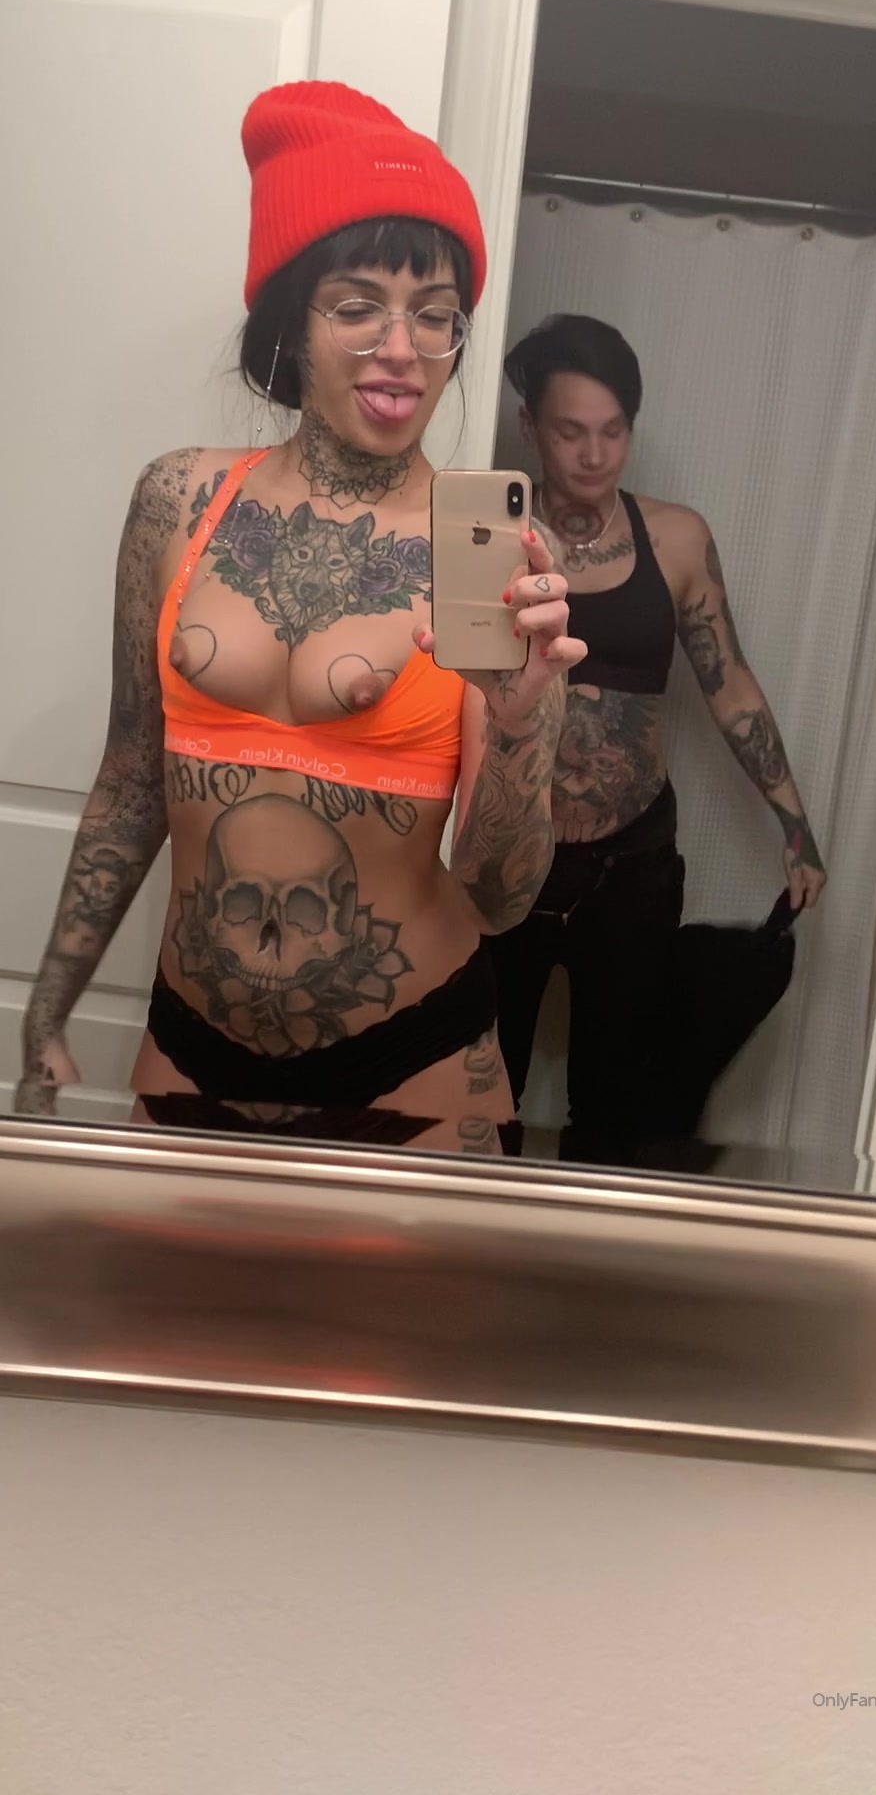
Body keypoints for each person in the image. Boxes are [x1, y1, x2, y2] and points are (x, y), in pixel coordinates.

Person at [14, 82, 584, 1152]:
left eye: (434, 313)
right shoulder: (178, 501)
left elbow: (501, 898)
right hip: (189, 1051)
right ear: (291, 322)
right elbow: (131, 778)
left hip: (418, 1064)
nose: (402, 346)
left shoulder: (490, 554)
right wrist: (47, 1007)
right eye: (358, 305)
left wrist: (520, 726)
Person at [489, 312, 826, 1146]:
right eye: (570, 431)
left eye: (614, 431)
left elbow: (729, 684)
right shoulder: (488, 539)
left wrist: (794, 825)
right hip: (507, 857)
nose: (594, 454)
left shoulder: (676, 539)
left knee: (615, 1117)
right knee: (481, 1105)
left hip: (630, 866)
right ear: (529, 424)